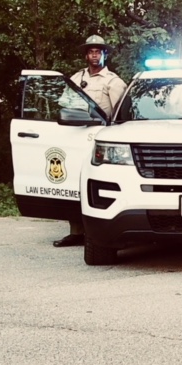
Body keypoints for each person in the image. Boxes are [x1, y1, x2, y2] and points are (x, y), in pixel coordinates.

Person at [53, 34, 128, 247]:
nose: (94, 55)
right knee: (73, 182)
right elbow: (64, 103)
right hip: (75, 135)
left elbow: (118, 116)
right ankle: (75, 232)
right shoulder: (76, 78)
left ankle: (98, 233)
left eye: (99, 51)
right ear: (86, 55)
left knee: (95, 184)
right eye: (91, 51)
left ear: (105, 55)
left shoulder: (113, 82)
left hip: (99, 138)